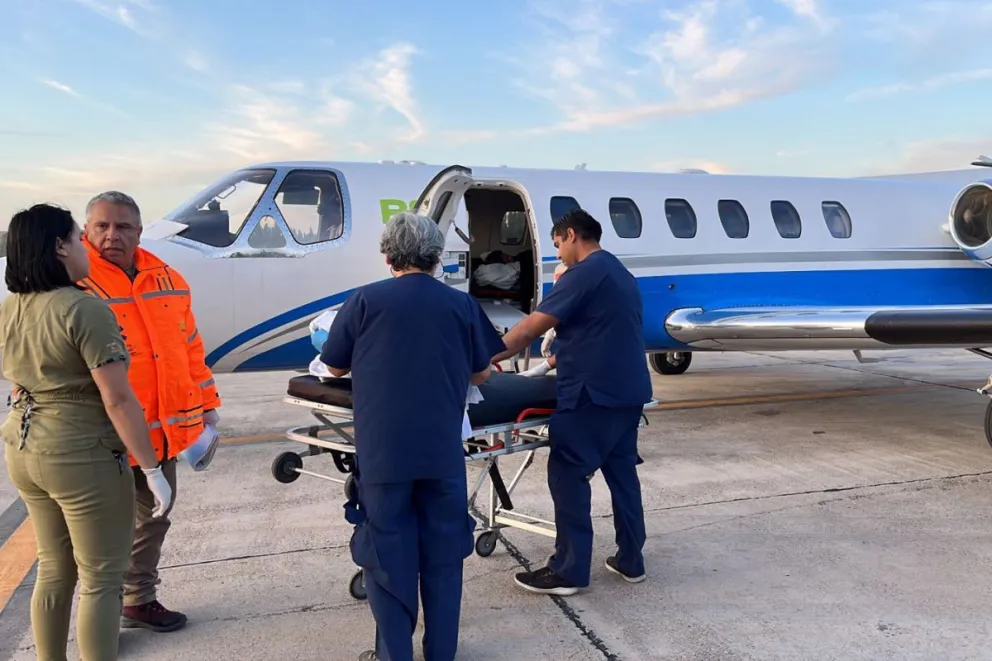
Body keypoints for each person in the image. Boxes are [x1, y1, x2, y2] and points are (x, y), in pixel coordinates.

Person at [320, 211, 505, 661]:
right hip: (441, 454)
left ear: (387, 256)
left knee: (387, 556)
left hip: (384, 456)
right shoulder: (460, 305)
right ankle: (441, 652)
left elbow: (333, 366)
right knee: (442, 556)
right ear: (438, 257)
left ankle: (394, 654)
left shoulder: (364, 301)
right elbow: (482, 372)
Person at [0, 203, 173, 661]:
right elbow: (117, 399)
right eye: (78, 238)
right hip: (79, 453)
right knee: (102, 578)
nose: (85, 248)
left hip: (23, 445)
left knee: (55, 569)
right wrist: (152, 468)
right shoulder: (83, 308)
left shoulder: (10, 308)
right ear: (59, 247)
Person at [80, 190, 222, 632]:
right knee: (102, 531)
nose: (111, 236)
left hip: (160, 431)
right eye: (101, 226)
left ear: (140, 232)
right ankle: (100, 614)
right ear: (86, 231)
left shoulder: (168, 279)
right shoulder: (75, 283)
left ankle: (138, 597)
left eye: (122, 227)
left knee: (156, 515)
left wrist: (207, 407)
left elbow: (189, 348)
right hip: (103, 433)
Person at [491, 208, 653, 596]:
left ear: (571, 234)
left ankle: (569, 569)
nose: (557, 254)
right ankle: (631, 560)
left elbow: (530, 328)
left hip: (591, 396)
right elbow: (598, 334)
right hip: (627, 393)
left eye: (558, 245)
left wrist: (481, 358)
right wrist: (544, 367)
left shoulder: (583, 274)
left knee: (568, 474)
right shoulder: (618, 272)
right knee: (622, 475)